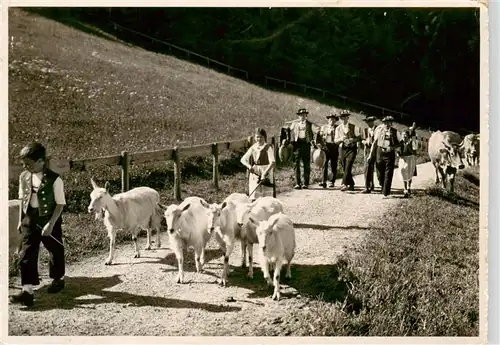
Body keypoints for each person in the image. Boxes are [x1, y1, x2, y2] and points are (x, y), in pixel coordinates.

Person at [10, 142, 66, 307]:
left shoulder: (55, 179)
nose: (25, 166)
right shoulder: (24, 176)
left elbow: (60, 204)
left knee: (55, 248)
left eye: (29, 163)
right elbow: (22, 199)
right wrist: (21, 219)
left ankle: (58, 278)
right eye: (23, 164)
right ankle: (27, 291)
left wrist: (50, 224)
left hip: (49, 219)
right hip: (30, 218)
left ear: (41, 161)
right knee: (26, 253)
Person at [369, 116, 400, 198]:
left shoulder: (395, 131)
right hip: (379, 152)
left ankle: (386, 192)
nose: (387, 124)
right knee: (379, 172)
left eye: (389, 122)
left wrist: (392, 148)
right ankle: (383, 185)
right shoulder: (379, 130)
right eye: (385, 122)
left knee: (388, 172)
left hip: (390, 153)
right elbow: (374, 142)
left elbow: (400, 143)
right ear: (383, 123)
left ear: (391, 123)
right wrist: (370, 154)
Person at [240, 128, 276, 201]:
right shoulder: (253, 147)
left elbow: (272, 162)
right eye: (257, 137)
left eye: (261, 137)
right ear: (255, 137)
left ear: (264, 137)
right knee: (254, 195)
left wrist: (264, 174)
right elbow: (243, 159)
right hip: (255, 172)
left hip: (266, 170)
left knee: (267, 196)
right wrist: (249, 166)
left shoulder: (268, 147)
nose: (259, 139)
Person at [286, 108, 315, 189]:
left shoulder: (309, 124)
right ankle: (298, 183)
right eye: (301, 115)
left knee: (306, 164)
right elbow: (289, 129)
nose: (302, 116)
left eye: (304, 115)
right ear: (298, 116)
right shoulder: (295, 124)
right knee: (296, 164)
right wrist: (287, 128)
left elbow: (315, 131)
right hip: (297, 145)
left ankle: (306, 183)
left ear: (306, 116)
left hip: (306, 145)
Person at [334, 110, 361, 191]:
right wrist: (341, 139)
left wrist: (352, 140)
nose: (343, 118)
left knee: (348, 166)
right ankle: (351, 184)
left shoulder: (354, 127)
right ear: (340, 118)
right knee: (344, 166)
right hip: (342, 149)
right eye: (342, 117)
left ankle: (345, 184)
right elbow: (335, 141)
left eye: (345, 117)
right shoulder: (338, 128)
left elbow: (359, 138)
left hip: (352, 149)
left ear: (348, 117)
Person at [315, 113, 339, 188]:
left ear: (335, 121)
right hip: (325, 147)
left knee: (333, 165)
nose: (332, 121)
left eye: (333, 119)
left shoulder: (338, 128)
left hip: (334, 147)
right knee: (324, 164)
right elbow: (318, 137)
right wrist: (318, 144)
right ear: (328, 120)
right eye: (330, 119)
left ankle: (332, 181)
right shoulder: (323, 128)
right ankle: (323, 181)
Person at [397, 129, 419, 197]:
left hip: (410, 158)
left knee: (409, 173)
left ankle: (409, 187)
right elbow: (397, 150)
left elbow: (415, 148)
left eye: (405, 135)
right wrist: (398, 153)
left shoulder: (412, 142)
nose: (404, 136)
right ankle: (405, 189)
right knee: (403, 172)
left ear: (408, 136)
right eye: (403, 135)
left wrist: (413, 138)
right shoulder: (400, 142)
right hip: (403, 158)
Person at [361, 116, 377, 194]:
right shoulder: (365, 130)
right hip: (368, 149)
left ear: (373, 121)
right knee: (367, 168)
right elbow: (362, 140)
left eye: (370, 121)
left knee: (378, 169)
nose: (368, 123)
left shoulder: (377, 129)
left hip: (377, 150)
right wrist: (365, 142)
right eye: (367, 122)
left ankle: (373, 183)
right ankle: (367, 187)